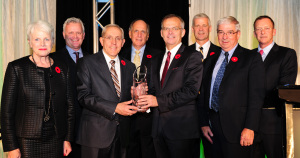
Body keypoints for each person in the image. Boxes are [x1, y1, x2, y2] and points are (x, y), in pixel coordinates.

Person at [1, 20, 74, 158]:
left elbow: (70, 107)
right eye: (37, 39)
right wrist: (11, 146)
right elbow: (6, 112)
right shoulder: (17, 68)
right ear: (30, 42)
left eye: (46, 39)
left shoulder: (63, 68)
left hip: (57, 139)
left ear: (52, 41)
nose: (42, 43)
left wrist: (67, 139)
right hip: (26, 141)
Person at [137, 14, 203, 158]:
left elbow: (190, 91)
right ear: (161, 33)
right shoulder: (156, 58)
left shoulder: (193, 56)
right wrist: (143, 98)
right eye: (167, 28)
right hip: (157, 129)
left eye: (175, 28)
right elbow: (154, 90)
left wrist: (157, 101)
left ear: (183, 32)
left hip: (182, 131)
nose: (170, 32)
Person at [198, 16, 265, 158]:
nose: (224, 37)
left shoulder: (251, 58)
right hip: (211, 130)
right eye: (221, 32)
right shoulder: (210, 59)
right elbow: (203, 94)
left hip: (238, 130)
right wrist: (203, 123)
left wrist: (250, 127)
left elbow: (256, 96)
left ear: (238, 34)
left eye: (230, 32)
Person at [76, 24, 138, 158]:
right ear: (101, 40)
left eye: (118, 38)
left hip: (122, 136)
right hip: (95, 136)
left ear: (123, 42)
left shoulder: (129, 66)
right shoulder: (86, 63)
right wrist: (115, 108)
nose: (113, 42)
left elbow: (128, 99)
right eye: (109, 37)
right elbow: (84, 96)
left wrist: (138, 99)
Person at [252, 15, 298, 158]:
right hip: (250, 124)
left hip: (274, 121)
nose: (262, 32)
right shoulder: (248, 56)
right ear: (254, 33)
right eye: (258, 29)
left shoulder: (287, 54)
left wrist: (252, 97)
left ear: (274, 31)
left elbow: (283, 89)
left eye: (266, 28)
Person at [119, 19, 160, 158]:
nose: (139, 34)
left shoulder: (158, 56)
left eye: (143, 31)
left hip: (150, 118)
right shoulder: (119, 55)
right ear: (130, 34)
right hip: (126, 117)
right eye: (136, 30)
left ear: (148, 36)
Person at [51, 17, 88, 158]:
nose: (75, 36)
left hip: (88, 129)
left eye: (78, 33)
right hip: (64, 130)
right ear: (63, 35)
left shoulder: (93, 60)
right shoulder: (52, 59)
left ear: (84, 36)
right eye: (71, 32)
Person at [189, 13, 221, 158]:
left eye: (204, 25)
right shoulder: (184, 52)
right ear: (192, 29)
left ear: (209, 28)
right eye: (197, 25)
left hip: (212, 116)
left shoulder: (221, 52)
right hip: (188, 115)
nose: (200, 29)